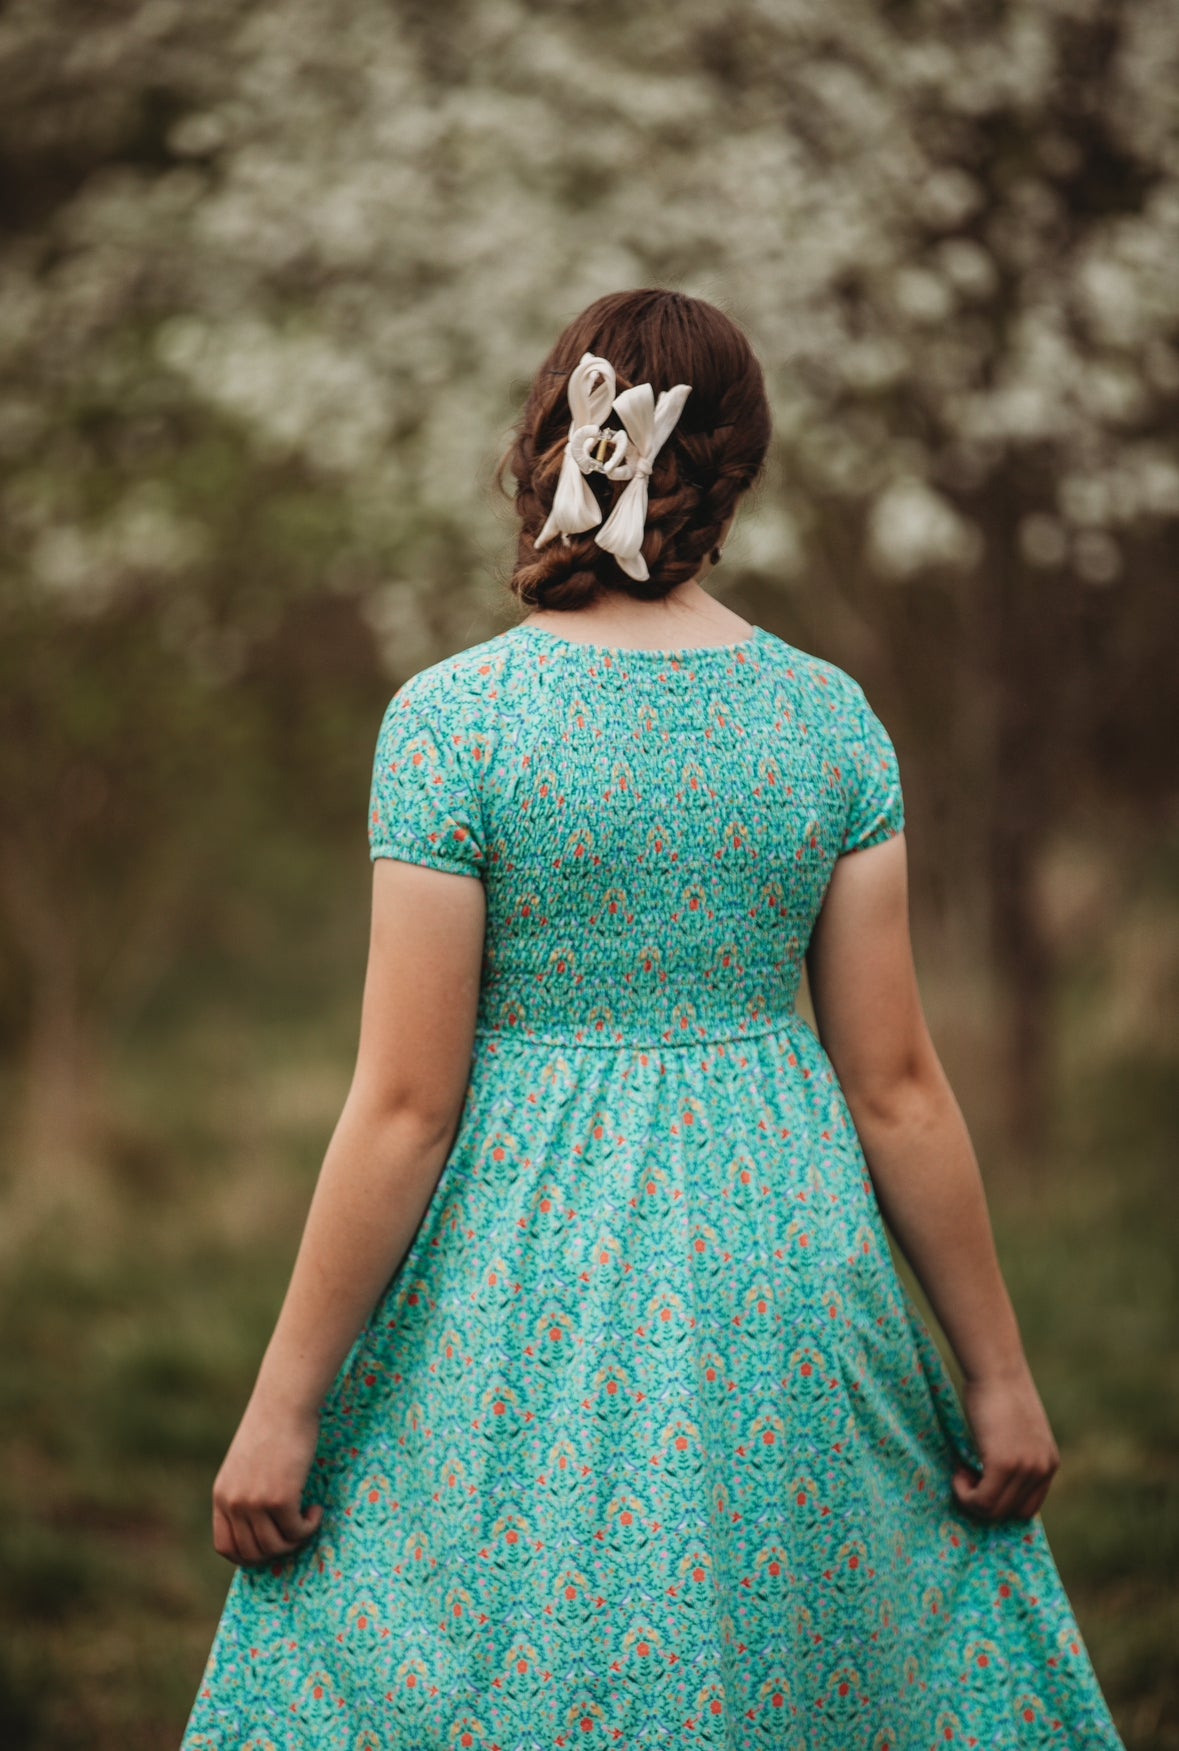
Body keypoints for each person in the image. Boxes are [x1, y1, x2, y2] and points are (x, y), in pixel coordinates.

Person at [180, 288, 1126, 1748]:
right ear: (736, 474)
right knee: (780, 1662)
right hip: (784, 1271)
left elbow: (408, 1106)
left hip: (521, 1279)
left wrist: (283, 1403)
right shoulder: (827, 719)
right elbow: (895, 1085)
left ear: (548, 443)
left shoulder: (454, 723)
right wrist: (998, 1377)